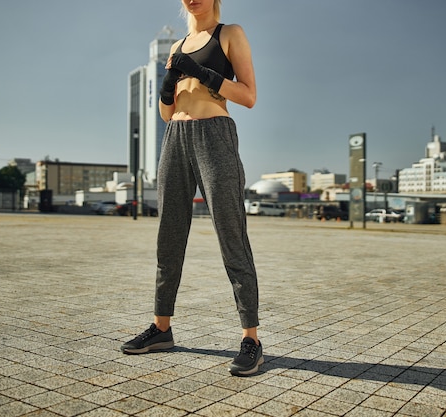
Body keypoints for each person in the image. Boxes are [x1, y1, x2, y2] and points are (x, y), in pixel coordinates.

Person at [121, 0, 263, 376]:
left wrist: (204, 74)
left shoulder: (230, 34)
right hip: (174, 136)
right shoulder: (175, 46)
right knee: (168, 238)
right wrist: (168, 87)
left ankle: (251, 339)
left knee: (231, 234)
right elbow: (167, 114)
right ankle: (161, 329)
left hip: (214, 134)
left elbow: (248, 96)